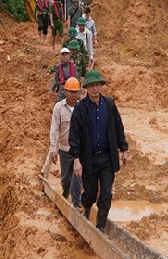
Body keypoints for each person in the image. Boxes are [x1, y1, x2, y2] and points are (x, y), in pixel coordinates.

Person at [69, 70, 128, 233]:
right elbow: (74, 135)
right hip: (89, 159)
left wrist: (124, 149)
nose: (95, 88)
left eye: (97, 85)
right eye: (92, 86)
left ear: (101, 86)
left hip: (107, 158)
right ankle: (85, 206)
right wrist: (76, 159)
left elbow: (118, 126)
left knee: (106, 193)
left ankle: (100, 227)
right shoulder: (80, 109)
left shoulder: (109, 105)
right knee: (90, 193)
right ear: (86, 88)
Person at [49, 77, 83, 211]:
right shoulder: (59, 108)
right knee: (65, 179)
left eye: (76, 92)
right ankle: (65, 191)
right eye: (71, 92)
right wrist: (53, 148)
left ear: (79, 92)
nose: (73, 95)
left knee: (77, 176)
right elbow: (54, 128)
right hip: (64, 149)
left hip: (79, 151)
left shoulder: (82, 108)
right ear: (65, 92)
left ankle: (76, 202)